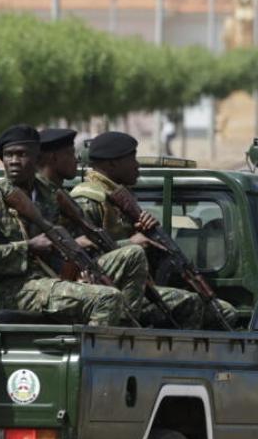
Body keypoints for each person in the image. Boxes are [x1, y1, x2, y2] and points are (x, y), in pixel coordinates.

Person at [0, 125, 137, 326]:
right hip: (6, 288)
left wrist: (79, 269)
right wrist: (28, 247)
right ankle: (85, 355)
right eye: (8, 155)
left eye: (21, 155)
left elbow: (57, 245)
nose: (13, 161)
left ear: (37, 157)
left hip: (46, 278)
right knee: (107, 298)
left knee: (129, 258)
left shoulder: (48, 194)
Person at [70, 131, 236, 329]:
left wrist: (147, 234)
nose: (137, 165)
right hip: (102, 289)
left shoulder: (119, 197)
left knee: (224, 312)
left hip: (132, 285)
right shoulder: (88, 200)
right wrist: (131, 243)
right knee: (190, 303)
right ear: (111, 164)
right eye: (131, 158)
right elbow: (78, 255)